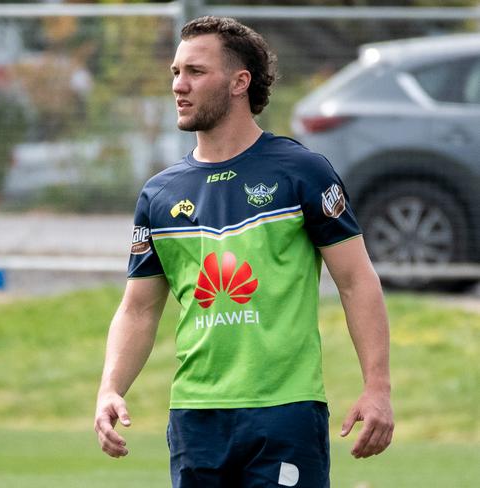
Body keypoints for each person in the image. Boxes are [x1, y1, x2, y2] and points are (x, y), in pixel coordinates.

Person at [94, 16, 393, 487]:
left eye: (195, 71)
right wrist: (111, 388)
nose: (179, 85)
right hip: (195, 417)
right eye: (175, 72)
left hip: (285, 412)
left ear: (239, 82)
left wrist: (377, 388)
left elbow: (357, 282)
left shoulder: (302, 172)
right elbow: (138, 309)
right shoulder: (159, 195)